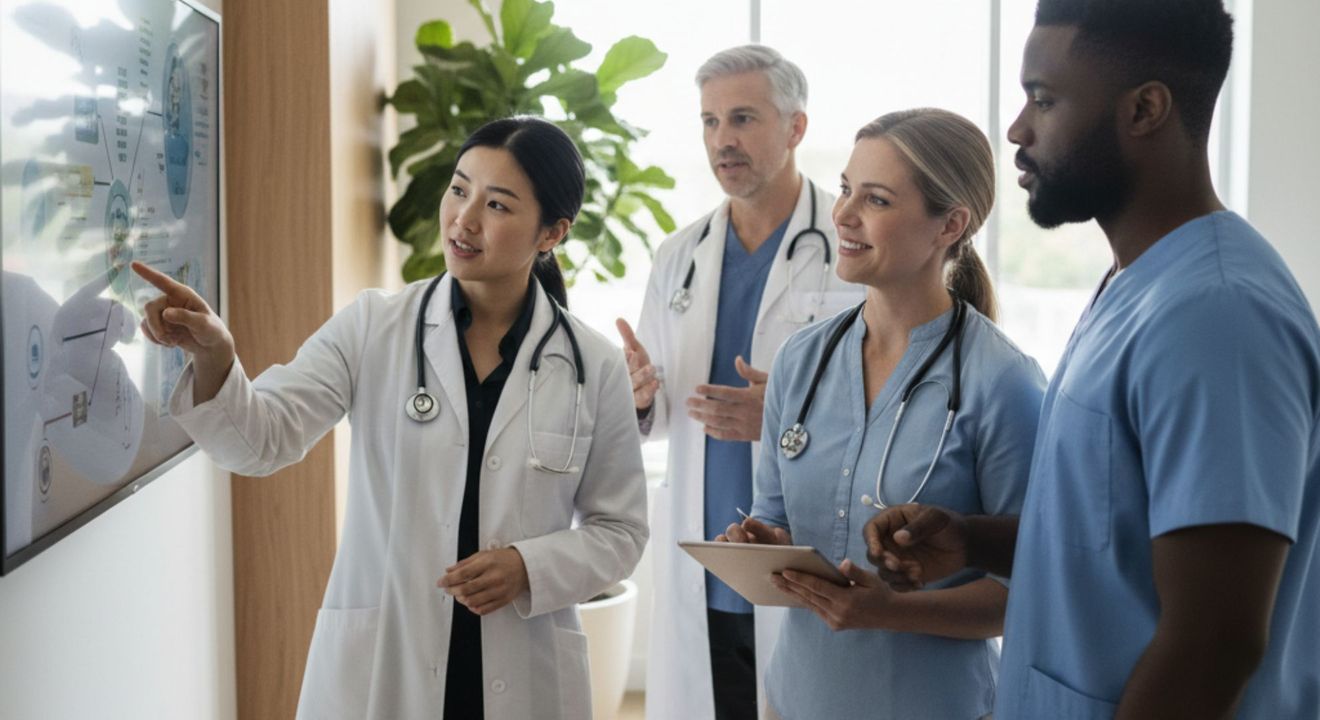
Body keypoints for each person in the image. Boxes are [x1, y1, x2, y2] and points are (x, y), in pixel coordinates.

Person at [867, 2, 1320, 717]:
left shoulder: (1217, 315)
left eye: (1044, 100)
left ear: (1144, 109)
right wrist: (974, 541)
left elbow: (1216, 638)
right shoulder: (1137, 285)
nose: (1017, 130)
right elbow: (1122, 539)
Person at [132, 117, 648, 720]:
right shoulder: (374, 327)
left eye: (497, 204)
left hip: (522, 667)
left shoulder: (594, 366)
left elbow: (621, 531)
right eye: (459, 189)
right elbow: (262, 441)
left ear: (551, 233)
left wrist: (528, 568)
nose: (465, 218)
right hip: (384, 665)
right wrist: (218, 355)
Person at [719, 108, 1045, 719]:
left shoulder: (1002, 382)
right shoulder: (801, 360)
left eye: (876, 199)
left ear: (949, 224)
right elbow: (775, 515)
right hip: (795, 699)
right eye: (845, 189)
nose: (843, 214)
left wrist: (889, 612)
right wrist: (765, 545)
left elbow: (1026, 590)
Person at [616, 45, 862, 720]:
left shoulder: (850, 251)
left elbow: (888, 404)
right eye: (710, 122)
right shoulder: (679, 257)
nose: (723, 140)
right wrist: (641, 398)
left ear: (796, 129)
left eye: (743, 118)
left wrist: (780, 421)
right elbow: (663, 412)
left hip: (807, 550)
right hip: (705, 558)